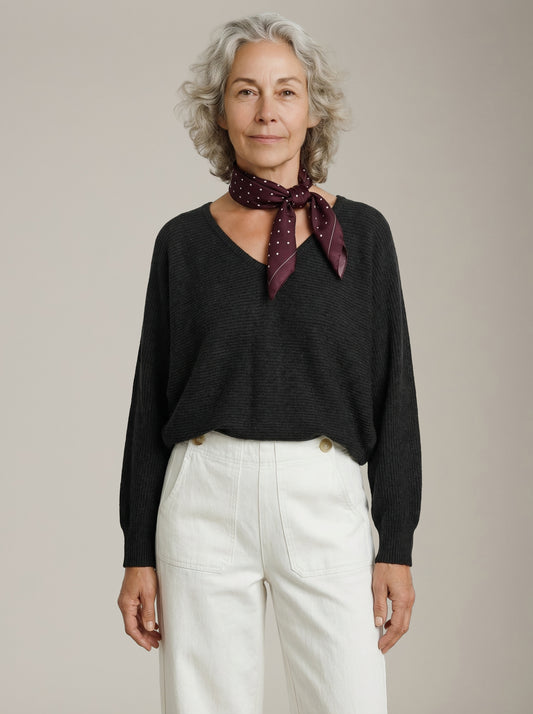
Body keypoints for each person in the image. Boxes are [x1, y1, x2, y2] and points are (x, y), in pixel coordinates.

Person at [117, 11, 422, 714]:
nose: (267, 112)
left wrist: (396, 544)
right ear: (220, 111)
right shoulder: (182, 243)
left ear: (313, 110)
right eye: (246, 91)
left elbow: (394, 392)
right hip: (204, 495)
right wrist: (137, 551)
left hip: (324, 492)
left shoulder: (363, 234)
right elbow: (149, 402)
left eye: (286, 91)